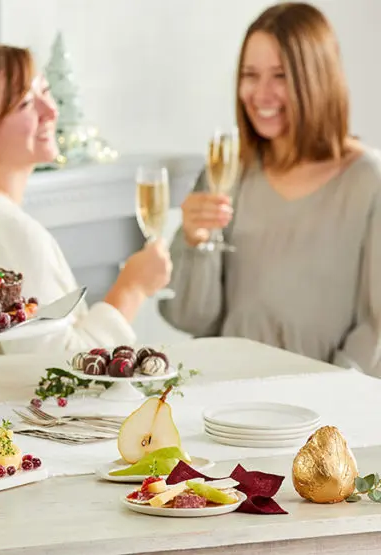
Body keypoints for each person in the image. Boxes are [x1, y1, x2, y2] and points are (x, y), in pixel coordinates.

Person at [0, 41, 172, 353]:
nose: (51, 110)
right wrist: (132, 288)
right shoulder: (7, 231)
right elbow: (59, 371)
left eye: (44, 91)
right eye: (26, 105)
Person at [160, 3, 381, 375]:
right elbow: (192, 319)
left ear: (318, 78)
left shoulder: (368, 181)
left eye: (280, 75)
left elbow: (376, 329)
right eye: (250, 74)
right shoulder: (228, 173)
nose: (261, 94)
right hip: (222, 396)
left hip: (322, 409)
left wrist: (328, 394)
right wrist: (196, 242)